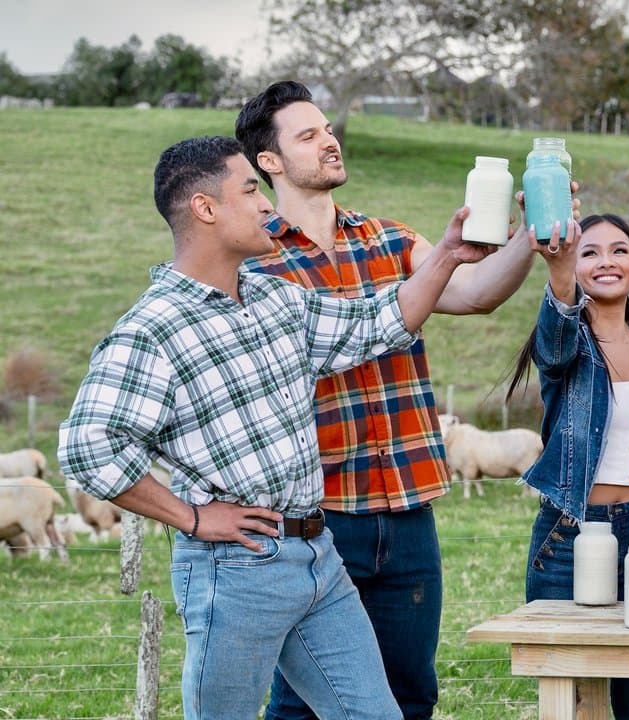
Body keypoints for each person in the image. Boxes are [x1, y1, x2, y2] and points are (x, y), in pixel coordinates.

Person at [57, 135, 494, 719]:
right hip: (236, 567)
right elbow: (89, 446)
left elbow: (378, 321)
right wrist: (192, 518)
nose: (267, 203)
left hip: (317, 554)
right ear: (205, 209)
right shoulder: (155, 328)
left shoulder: (273, 297)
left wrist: (447, 256)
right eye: (249, 190)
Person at [234, 80, 536, 720]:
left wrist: (530, 236)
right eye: (308, 135)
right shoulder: (253, 261)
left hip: (407, 508)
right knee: (305, 704)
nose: (329, 141)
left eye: (327, 129)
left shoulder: (390, 240)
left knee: (410, 695)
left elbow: (476, 293)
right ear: (269, 161)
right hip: (316, 516)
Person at [508, 213, 629, 720]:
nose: (605, 261)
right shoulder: (567, 343)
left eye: (619, 251)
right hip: (571, 530)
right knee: (568, 700)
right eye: (589, 252)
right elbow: (553, 342)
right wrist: (558, 272)